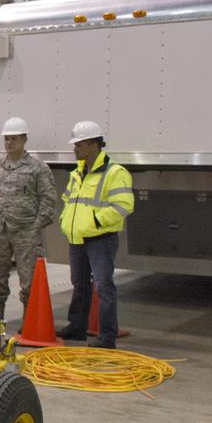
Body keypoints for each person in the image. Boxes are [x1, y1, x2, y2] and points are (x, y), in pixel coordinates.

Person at [57, 121, 134, 348]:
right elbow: (68, 201)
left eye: (78, 144)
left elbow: (124, 206)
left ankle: (107, 337)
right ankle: (77, 328)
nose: (75, 149)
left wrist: (95, 221)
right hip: (78, 238)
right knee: (80, 284)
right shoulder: (77, 173)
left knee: (104, 287)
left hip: (100, 239)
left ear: (93, 144)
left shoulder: (115, 173)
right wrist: (66, 222)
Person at [0, 117, 57, 323]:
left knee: (29, 277)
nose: (9, 143)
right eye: (6, 139)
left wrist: (37, 225)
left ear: (24, 139)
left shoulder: (38, 168)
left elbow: (48, 199)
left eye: (14, 138)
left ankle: (28, 319)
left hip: (26, 231)